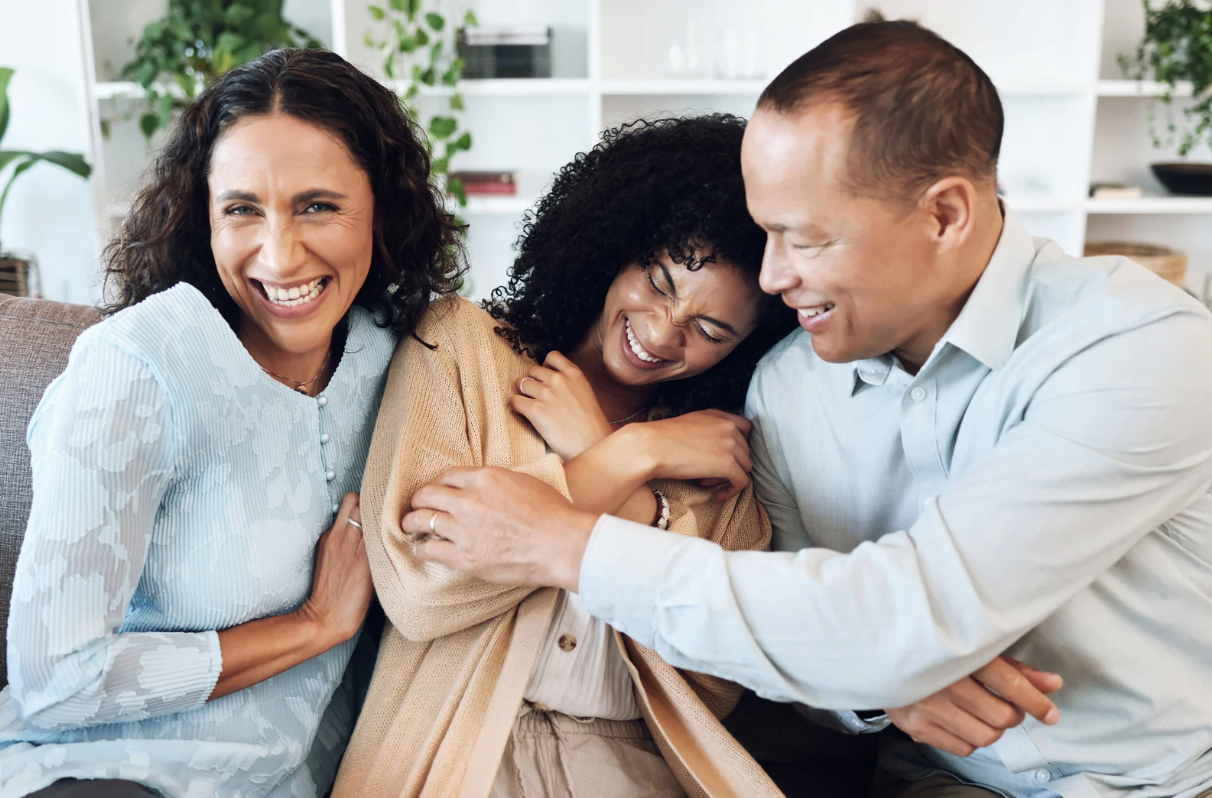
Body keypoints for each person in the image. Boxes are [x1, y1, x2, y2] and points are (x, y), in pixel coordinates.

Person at [397, 20, 1212, 798]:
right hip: (943, 778)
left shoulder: (1139, 347)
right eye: (765, 234)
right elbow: (780, 622)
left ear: (945, 214)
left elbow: (898, 617)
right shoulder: (787, 386)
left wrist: (564, 538)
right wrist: (879, 686)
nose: (775, 280)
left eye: (806, 239)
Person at [0, 49, 463, 798]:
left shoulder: (400, 356)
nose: (279, 256)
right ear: (203, 214)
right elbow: (55, 680)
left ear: (383, 206)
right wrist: (314, 625)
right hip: (99, 772)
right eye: (242, 208)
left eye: (319, 205)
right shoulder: (137, 367)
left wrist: (636, 449)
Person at [333, 114, 796, 798]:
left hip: (634, 769)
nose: (662, 333)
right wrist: (631, 455)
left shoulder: (717, 446)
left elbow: (716, 679)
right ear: (615, 245)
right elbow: (420, 591)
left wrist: (609, 452)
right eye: (658, 282)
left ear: (743, 351)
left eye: (708, 329)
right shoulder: (463, 346)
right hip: (456, 754)